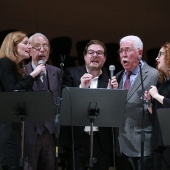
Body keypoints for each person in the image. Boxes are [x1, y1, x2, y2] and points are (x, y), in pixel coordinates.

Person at [60, 40, 116, 170]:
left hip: (101, 140)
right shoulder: (70, 74)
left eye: (99, 53)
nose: (95, 55)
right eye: (91, 52)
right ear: (84, 56)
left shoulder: (110, 81)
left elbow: (112, 113)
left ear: (105, 58)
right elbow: (64, 103)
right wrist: (81, 89)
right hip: (77, 139)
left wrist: (112, 95)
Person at [110, 35, 158, 170]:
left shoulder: (154, 75)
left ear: (140, 53)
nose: (123, 54)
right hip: (121, 145)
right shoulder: (118, 76)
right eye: (121, 51)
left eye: (128, 50)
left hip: (143, 145)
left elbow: (159, 111)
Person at [0, 31, 45, 170]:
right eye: (25, 43)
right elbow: (14, 91)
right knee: (11, 165)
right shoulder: (5, 63)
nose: (29, 47)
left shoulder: (16, 68)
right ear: (13, 46)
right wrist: (34, 74)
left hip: (13, 124)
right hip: (5, 125)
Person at [24, 33, 61, 170]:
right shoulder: (23, 72)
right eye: (37, 46)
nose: (42, 50)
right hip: (29, 133)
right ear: (30, 50)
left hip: (50, 133)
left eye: (45, 46)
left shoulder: (56, 72)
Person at [145, 42, 170, 170]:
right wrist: (149, 103)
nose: (156, 58)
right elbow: (158, 113)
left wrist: (156, 96)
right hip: (159, 139)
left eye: (160, 54)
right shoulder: (161, 83)